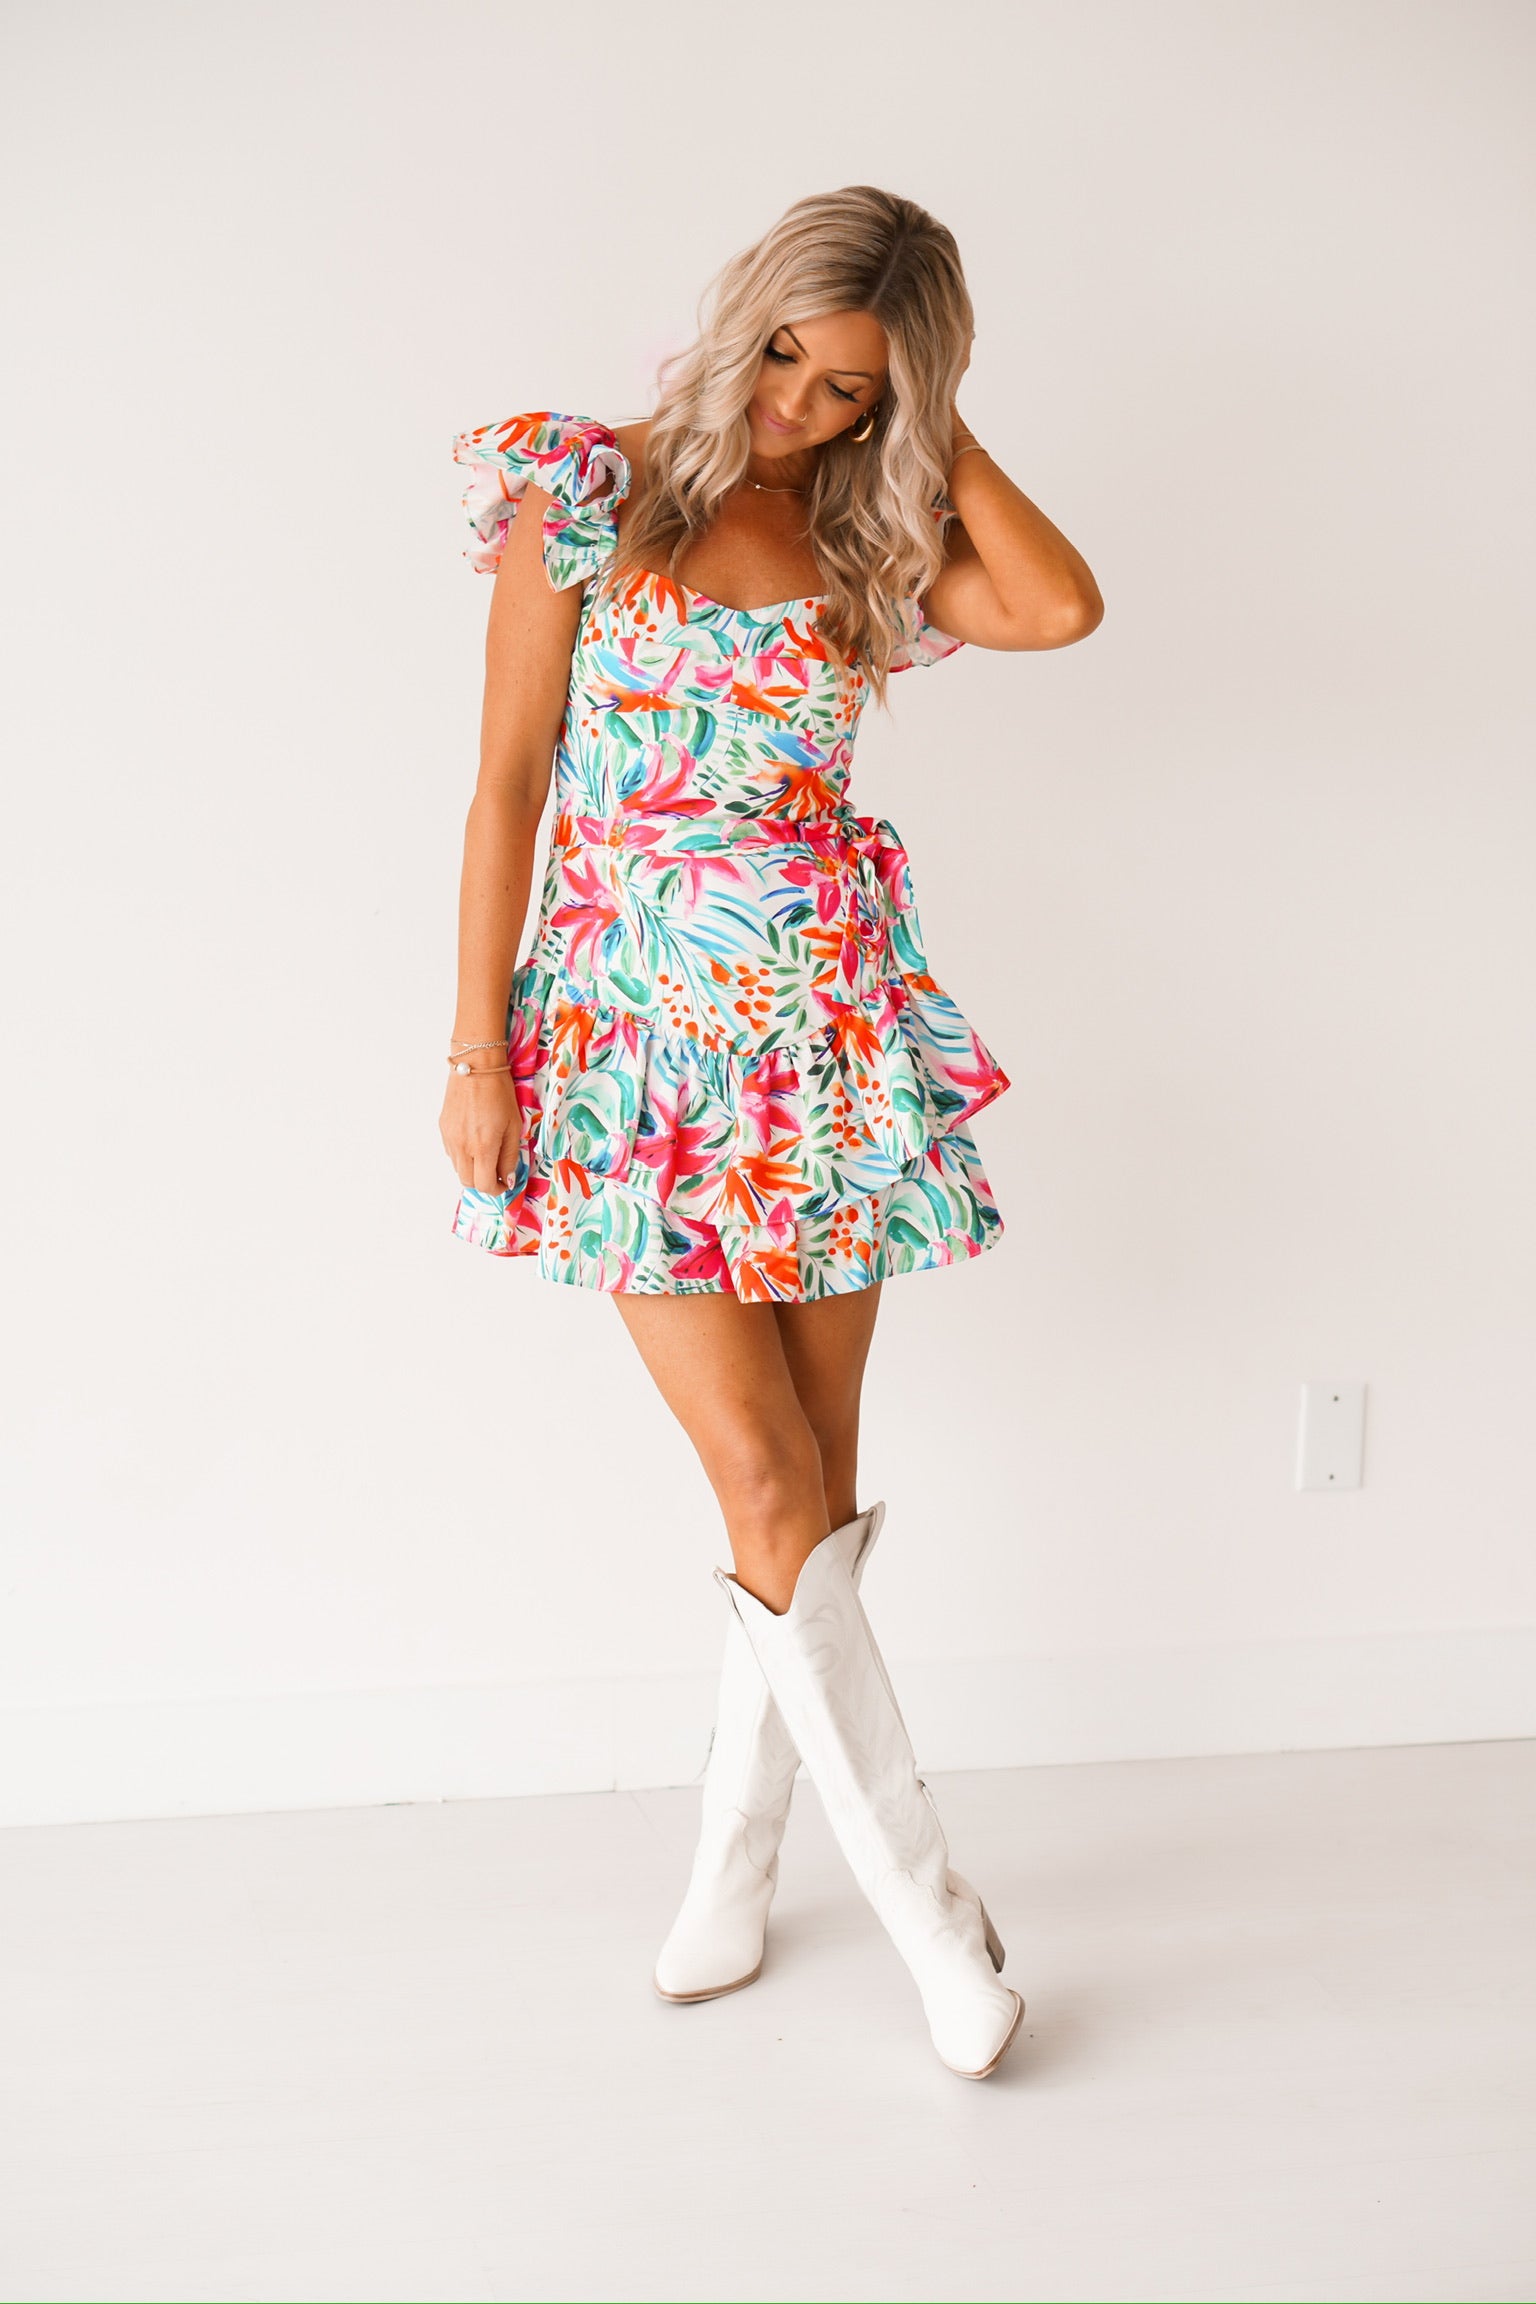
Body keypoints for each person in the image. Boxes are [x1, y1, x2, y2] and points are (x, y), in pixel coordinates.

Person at [438, 185, 1103, 2079]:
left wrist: (934, 431)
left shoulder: (868, 530)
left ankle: (734, 1867)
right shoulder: (587, 490)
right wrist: (476, 1054)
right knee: (761, 1478)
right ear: (745, 322)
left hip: (822, 1039)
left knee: (807, 1486)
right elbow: (502, 788)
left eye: (857, 387)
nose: (808, 408)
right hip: (631, 1047)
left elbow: (1058, 606)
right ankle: (936, 1923)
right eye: (796, 361)